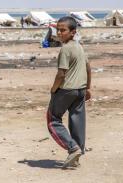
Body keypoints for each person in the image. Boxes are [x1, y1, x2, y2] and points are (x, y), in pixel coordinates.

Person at [46, 16, 91, 168]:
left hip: (67, 90)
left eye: (63, 30)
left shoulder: (65, 49)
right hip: (80, 90)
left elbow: (61, 74)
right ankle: (77, 155)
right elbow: (88, 68)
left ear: (73, 32)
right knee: (77, 121)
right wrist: (88, 88)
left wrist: (53, 89)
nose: (59, 33)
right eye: (58, 29)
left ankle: (73, 148)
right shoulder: (79, 46)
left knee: (53, 120)